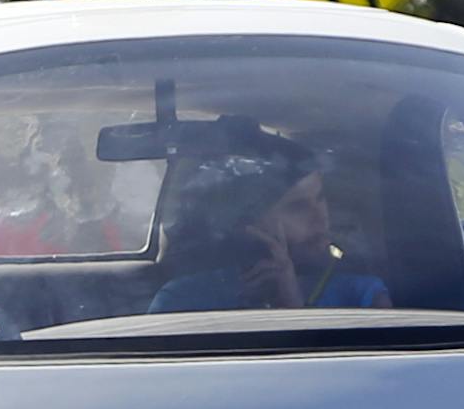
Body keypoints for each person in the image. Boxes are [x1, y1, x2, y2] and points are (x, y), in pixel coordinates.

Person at [149, 132, 390, 312]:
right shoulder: (183, 303)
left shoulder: (363, 297)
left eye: (320, 199)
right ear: (249, 223)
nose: (321, 219)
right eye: (298, 207)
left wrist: (292, 308)